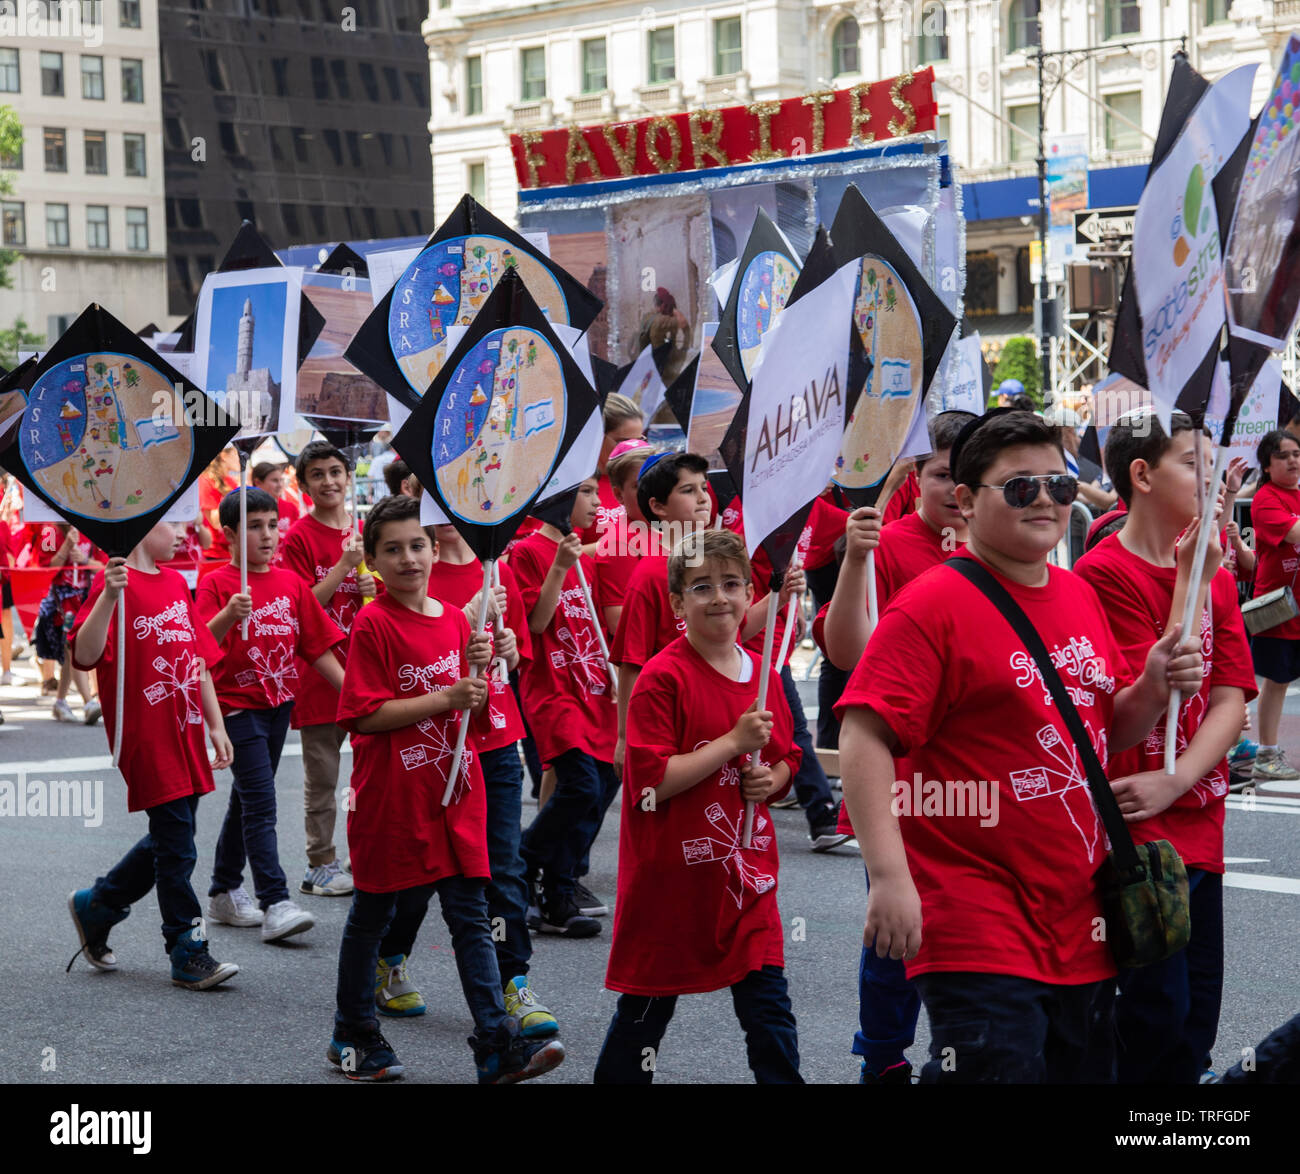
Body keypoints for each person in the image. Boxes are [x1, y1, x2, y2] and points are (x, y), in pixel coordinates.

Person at [836, 410, 1204, 1083]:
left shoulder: (1075, 593)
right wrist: (889, 876)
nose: (1046, 500)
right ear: (969, 501)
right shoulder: (931, 604)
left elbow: (1096, 738)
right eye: (1020, 486)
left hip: (1082, 918)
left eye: (1060, 487)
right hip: (975, 920)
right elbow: (864, 733)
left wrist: (1150, 688)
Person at [328, 494, 566, 1083]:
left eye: (417, 545)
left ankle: (495, 1042)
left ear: (435, 549)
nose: (408, 558)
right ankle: (352, 1035)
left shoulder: (459, 620)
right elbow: (361, 713)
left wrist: (487, 671)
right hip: (391, 799)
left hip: (455, 796)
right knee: (372, 914)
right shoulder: (373, 622)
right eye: (392, 550)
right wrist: (448, 695)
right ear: (375, 563)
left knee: (469, 913)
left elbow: (474, 719)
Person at [1074, 411, 1254, 1084]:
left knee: (1194, 1021)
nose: (1212, 479)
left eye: (1213, 465)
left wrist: (1180, 782)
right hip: (1137, 835)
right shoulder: (1099, 575)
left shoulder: (1219, 574)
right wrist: (1190, 581)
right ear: (1141, 475)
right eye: (1193, 464)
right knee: (1154, 1012)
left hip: (1197, 818)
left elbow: (1231, 698)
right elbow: (1134, 700)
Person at [594, 529, 803, 1083]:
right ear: (676, 602)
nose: (719, 598)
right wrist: (732, 745)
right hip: (672, 883)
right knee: (644, 1015)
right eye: (701, 586)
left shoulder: (762, 675)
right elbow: (649, 782)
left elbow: (789, 761)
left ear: (751, 591)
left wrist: (771, 779)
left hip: (747, 878)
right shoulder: (664, 676)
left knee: (770, 1015)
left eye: (732, 584)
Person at [816, 409, 973, 1083]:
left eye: (972, 478)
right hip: (903, 782)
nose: (957, 491)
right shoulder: (887, 545)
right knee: (897, 932)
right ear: (915, 475)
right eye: (943, 475)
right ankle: (882, 1058)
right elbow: (848, 651)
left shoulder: (1005, 551)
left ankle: (962, 1053)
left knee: (969, 936)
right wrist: (856, 558)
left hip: (982, 786)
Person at [370, 517, 558, 1038]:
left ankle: (511, 981)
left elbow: (514, 656)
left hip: (494, 741)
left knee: (503, 866)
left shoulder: (494, 568)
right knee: (421, 874)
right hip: (431, 752)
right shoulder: (409, 580)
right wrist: (467, 621)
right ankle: (389, 955)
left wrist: (507, 647)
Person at [66, 521, 239, 990]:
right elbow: (84, 653)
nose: (187, 531)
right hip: (146, 738)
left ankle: (98, 903)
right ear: (141, 528)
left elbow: (198, 659)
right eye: (174, 523)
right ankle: (187, 948)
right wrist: (107, 596)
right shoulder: (113, 581)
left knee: (173, 837)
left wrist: (217, 724)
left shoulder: (175, 584)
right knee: (179, 846)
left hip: (186, 732)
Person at [196, 488, 346, 943]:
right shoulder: (217, 583)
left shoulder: (290, 583)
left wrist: (358, 696)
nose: (267, 536)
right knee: (261, 805)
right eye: (255, 527)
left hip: (280, 707)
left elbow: (316, 646)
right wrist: (227, 614)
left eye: (272, 525)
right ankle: (275, 901)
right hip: (237, 709)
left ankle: (223, 889)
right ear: (230, 534)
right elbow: (199, 646)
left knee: (246, 799)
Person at [509, 477, 618, 937]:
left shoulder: (581, 559)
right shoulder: (528, 552)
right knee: (579, 786)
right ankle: (520, 864)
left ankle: (557, 892)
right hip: (555, 689)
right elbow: (536, 622)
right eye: (587, 492)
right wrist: (558, 567)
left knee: (601, 788)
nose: (597, 502)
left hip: (593, 689)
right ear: (558, 498)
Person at [277, 441, 377, 896]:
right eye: (317, 474)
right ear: (304, 486)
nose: (329, 481)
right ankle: (320, 862)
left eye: (336, 471)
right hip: (319, 674)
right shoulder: (298, 537)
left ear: (348, 477)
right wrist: (342, 568)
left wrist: (370, 581)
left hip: (370, 671)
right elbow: (300, 607)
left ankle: (366, 853)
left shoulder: (365, 531)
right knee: (324, 778)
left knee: (371, 774)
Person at [1245, 429, 1300, 782]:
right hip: (1279, 609)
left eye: (1296, 453)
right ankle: (1266, 753)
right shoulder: (1266, 499)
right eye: (1283, 455)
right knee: (1277, 682)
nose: (1293, 460)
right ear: (1267, 465)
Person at [30, 523, 102, 724]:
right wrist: (66, 547)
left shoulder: (91, 528)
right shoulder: (49, 531)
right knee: (73, 647)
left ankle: (60, 701)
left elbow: (105, 565)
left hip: (86, 597)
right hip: (61, 598)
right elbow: (46, 569)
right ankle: (88, 702)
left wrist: (85, 559)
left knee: (72, 650)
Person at [595, 438, 655, 635]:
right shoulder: (618, 543)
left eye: (654, 482)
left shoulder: (677, 529)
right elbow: (618, 621)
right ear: (619, 495)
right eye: (639, 486)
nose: (650, 493)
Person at [578, 394, 644, 549]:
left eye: (639, 440)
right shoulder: (579, 485)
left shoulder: (644, 478)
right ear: (597, 436)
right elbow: (563, 553)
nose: (632, 449)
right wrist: (621, 544)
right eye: (623, 442)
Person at [251, 461, 298, 530]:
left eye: (281, 480)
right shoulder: (248, 510)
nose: (280, 485)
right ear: (258, 482)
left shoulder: (290, 508)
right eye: (275, 480)